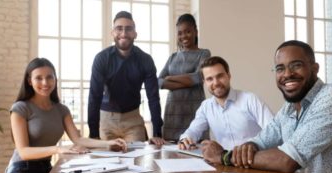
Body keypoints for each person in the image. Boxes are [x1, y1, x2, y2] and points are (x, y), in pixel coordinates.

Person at [210, 40, 332, 173]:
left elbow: (287, 160)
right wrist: (248, 147)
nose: (287, 74)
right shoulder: (289, 107)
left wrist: (224, 156)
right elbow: (261, 141)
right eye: (280, 68)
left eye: (296, 65)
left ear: (315, 68)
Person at [4, 58, 128, 173]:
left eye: (50, 77)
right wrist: (58, 149)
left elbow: (78, 139)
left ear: (55, 79)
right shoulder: (20, 108)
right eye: (39, 78)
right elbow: (23, 152)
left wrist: (108, 144)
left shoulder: (61, 109)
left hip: (48, 171)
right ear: (29, 81)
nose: (45, 83)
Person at [88, 11, 164, 146]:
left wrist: (157, 132)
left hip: (133, 121)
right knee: (105, 164)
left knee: (136, 162)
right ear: (112, 33)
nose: (123, 33)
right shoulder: (101, 59)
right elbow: (94, 96)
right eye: (119, 28)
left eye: (128, 29)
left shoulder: (146, 60)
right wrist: (93, 133)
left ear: (135, 33)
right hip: (106, 120)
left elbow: (153, 97)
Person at [178, 56, 274, 153]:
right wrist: (186, 138)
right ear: (204, 82)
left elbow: (273, 131)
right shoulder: (206, 106)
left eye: (220, 76)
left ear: (228, 76)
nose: (216, 83)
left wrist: (253, 146)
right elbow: (193, 131)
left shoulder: (250, 100)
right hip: (224, 162)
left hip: (254, 160)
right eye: (209, 79)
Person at [158, 13, 211, 142]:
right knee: (170, 156)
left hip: (194, 112)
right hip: (173, 113)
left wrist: (170, 78)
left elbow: (198, 77)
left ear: (195, 32)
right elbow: (159, 81)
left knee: (196, 152)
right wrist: (188, 82)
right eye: (180, 33)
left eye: (188, 31)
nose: (183, 36)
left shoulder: (204, 53)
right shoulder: (173, 57)